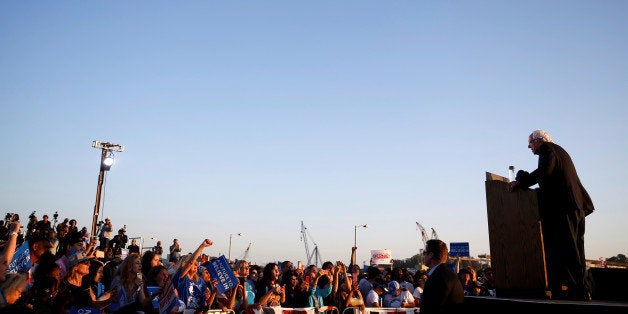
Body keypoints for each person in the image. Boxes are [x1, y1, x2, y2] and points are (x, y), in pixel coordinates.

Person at [508, 129, 594, 301]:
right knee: (577, 249)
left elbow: (544, 173)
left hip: (565, 207)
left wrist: (521, 181)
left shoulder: (547, 149)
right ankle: (583, 289)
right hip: (576, 206)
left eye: (530, 143)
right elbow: (551, 178)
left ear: (538, 140)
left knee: (569, 250)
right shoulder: (560, 151)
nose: (529, 147)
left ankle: (578, 292)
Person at [419, 239, 464, 314]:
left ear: (431, 255)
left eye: (424, 253)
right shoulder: (446, 274)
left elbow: (433, 308)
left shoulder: (439, 277)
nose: (423, 256)